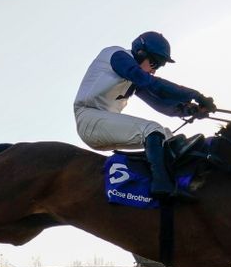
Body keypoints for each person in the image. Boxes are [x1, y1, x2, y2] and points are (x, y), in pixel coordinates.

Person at [74, 31, 215, 199]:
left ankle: (179, 182)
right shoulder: (117, 55)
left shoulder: (135, 77)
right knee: (152, 129)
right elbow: (154, 85)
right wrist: (195, 95)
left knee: (166, 136)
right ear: (140, 52)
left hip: (103, 126)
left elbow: (160, 102)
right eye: (155, 63)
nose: (154, 70)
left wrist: (189, 110)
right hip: (88, 118)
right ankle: (162, 187)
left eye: (159, 67)